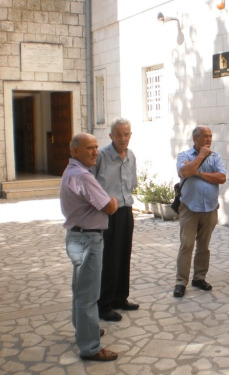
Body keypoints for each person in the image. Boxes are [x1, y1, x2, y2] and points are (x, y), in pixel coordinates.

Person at [60, 133, 119, 361]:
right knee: (88, 295)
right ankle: (90, 347)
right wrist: (112, 200)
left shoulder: (71, 171)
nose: (95, 151)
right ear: (75, 151)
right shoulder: (83, 176)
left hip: (76, 237)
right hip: (87, 240)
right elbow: (109, 207)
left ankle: (84, 329)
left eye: (96, 147)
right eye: (89, 148)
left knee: (80, 290)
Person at [92, 118, 139, 322]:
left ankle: (121, 297)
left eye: (126, 134)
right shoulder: (101, 156)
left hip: (126, 210)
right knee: (109, 258)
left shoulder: (131, 156)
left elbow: (132, 183)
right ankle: (104, 304)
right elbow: (91, 185)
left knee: (123, 255)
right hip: (107, 213)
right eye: (119, 134)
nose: (123, 138)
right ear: (111, 136)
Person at [173, 126, 226, 298]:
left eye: (210, 136)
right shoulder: (184, 156)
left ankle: (199, 277)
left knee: (204, 246)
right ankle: (181, 282)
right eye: (205, 136)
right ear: (195, 139)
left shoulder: (216, 157)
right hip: (189, 207)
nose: (209, 139)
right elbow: (184, 172)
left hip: (210, 207)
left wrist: (198, 172)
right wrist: (201, 156)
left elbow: (221, 178)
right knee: (186, 245)